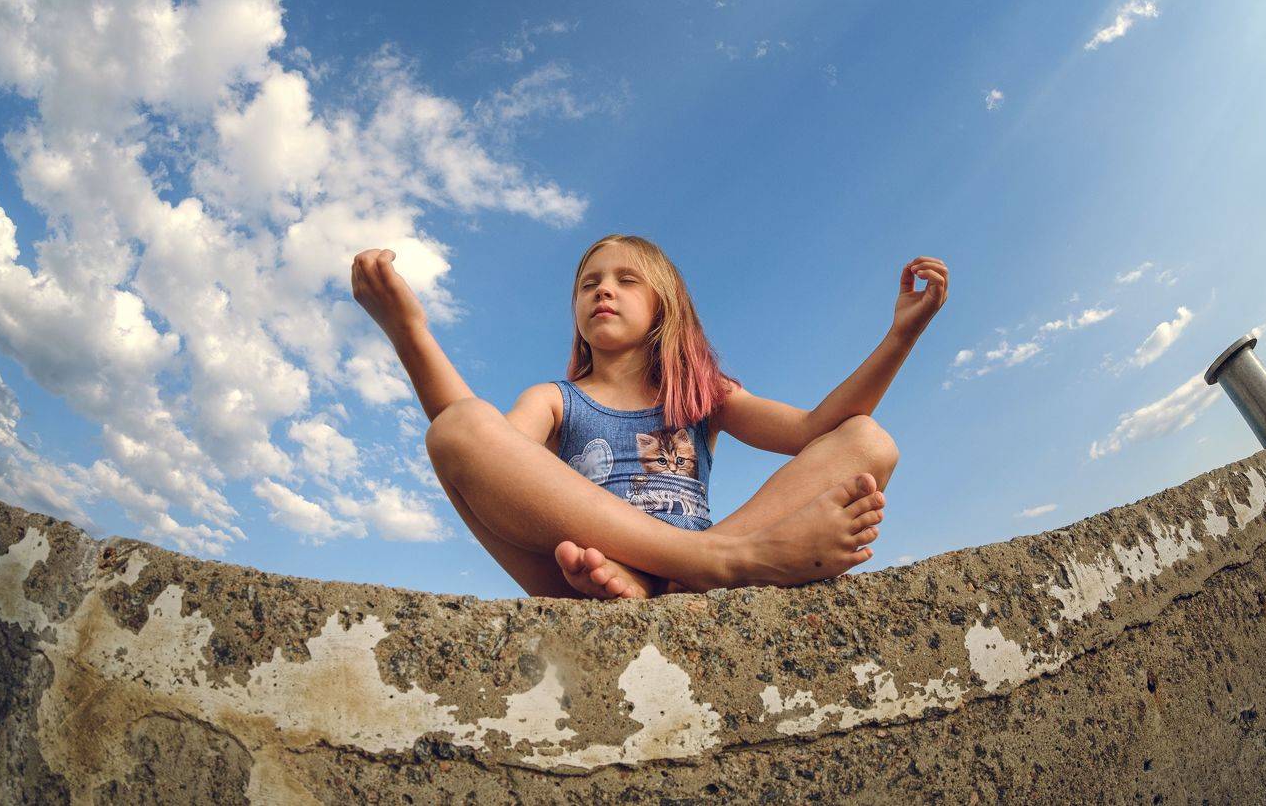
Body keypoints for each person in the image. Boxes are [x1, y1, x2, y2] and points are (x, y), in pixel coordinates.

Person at [350, 233, 948, 599]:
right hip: (582, 571)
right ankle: (723, 562)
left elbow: (814, 431)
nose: (602, 289)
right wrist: (409, 331)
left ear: (665, 305)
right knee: (458, 426)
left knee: (868, 440)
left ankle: (687, 569)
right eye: (588, 283)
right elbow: (483, 460)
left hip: (687, 572)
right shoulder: (555, 399)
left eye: (625, 279)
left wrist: (902, 335)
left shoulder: (705, 394)